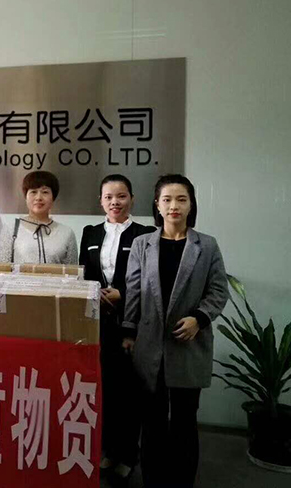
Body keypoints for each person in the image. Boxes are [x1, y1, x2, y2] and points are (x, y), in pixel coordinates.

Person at [123, 174, 229, 488]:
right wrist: (128, 331)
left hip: (188, 344)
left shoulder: (206, 245)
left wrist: (200, 318)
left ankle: (182, 481)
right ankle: (153, 480)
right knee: (152, 421)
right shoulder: (142, 244)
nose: (174, 206)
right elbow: (133, 290)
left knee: (184, 421)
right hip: (150, 345)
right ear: (157, 205)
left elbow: (218, 290)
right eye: (167, 200)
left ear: (191, 205)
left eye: (181, 199)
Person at [79, 174, 152, 485]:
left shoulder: (145, 234)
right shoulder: (91, 232)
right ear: (100, 201)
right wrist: (95, 292)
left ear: (132, 199)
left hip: (130, 323)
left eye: (121, 196)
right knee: (104, 388)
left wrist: (122, 293)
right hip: (98, 323)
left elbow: (148, 278)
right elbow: (83, 273)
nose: (115, 202)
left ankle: (128, 454)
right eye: (108, 197)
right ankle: (108, 450)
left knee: (129, 391)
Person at [0, 171, 78, 265]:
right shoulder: (10, 230)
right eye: (33, 192)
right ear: (26, 197)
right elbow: (2, 268)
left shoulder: (66, 233)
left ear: (53, 197)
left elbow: (73, 271)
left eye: (45, 192)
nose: (38, 197)